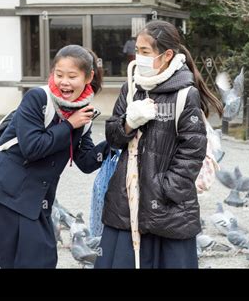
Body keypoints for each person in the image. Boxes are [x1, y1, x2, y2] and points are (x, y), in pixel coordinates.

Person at [0, 45, 110, 268]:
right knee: (28, 262)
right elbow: (33, 148)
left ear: (89, 77)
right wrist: (69, 125)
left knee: (43, 259)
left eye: (72, 76)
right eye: (59, 74)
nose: (64, 82)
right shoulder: (38, 98)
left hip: (37, 199)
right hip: (6, 193)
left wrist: (118, 136)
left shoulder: (82, 111)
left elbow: (86, 162)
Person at [95, 20, 223, 268]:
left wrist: (165, 188)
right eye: (137, 50)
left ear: (166, 55)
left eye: (145, 52)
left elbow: (193, 149)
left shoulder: (185, 93)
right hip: (127, 201)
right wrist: (129, 123)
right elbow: (112, 137)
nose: (138, 57)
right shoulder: (131, 87)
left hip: (169, 208)